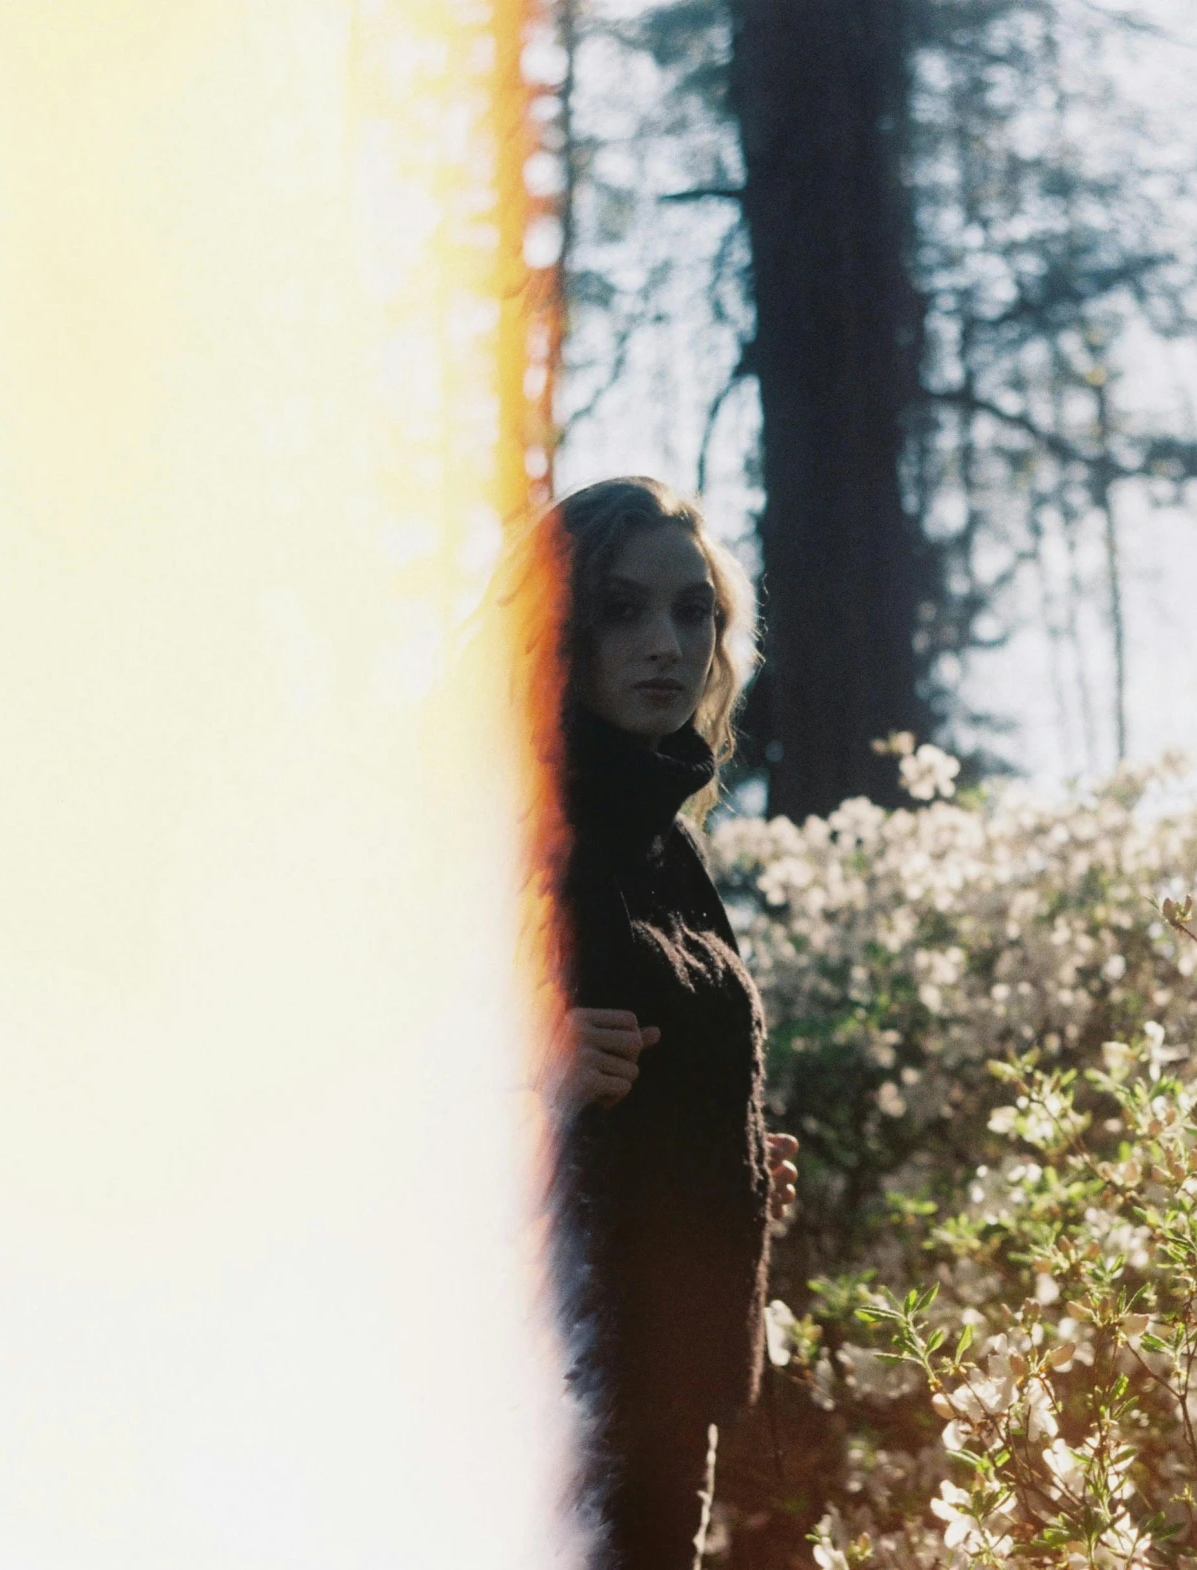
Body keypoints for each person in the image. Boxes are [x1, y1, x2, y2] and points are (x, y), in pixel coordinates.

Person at [543, 477, 798, 1569]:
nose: (665, 641)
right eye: (621, 608)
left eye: (693, 611)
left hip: (670, 1381)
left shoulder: (668, 841)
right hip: (552, 1381)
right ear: (560, 627)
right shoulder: (515, 822)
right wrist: (515, 1067)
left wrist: (734, 1158)